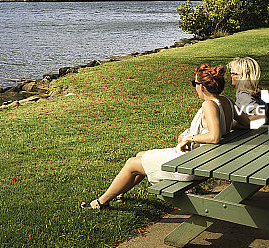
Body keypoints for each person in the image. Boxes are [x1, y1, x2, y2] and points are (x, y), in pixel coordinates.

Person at [80, 63, 249, 210]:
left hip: (191, 166)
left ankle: (100, 202)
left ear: (202, 87)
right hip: (203, 160)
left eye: (194, 83)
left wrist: (189, 138)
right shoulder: (226, 101)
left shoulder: (209, 105)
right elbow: (246, 123)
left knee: (131, 164)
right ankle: (120, 192)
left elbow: (214, 136)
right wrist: (227, 125)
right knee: (140, 155)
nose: (195, 87)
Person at [227, 57, 267, 126]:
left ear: (244, 76)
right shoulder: (260, 91)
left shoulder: (244, 95)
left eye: (234, 74)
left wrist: (232, 125)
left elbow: (261, 117)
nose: (231, 76)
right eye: (231, 73)